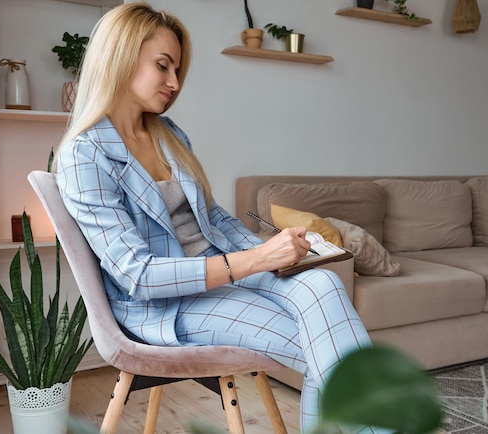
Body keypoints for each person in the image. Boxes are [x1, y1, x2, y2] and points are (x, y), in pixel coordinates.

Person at [54, 3, 385, 433]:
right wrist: (257, 260)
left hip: (225, 270)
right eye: (163, 66)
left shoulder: (168, 133)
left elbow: (213, 219)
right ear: (120, 55)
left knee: (322, 283)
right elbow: (138, 275)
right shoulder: (86, 154)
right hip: (164, 304)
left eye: (178, 70)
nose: (174, 83)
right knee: (326, 347)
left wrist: (272, 249)